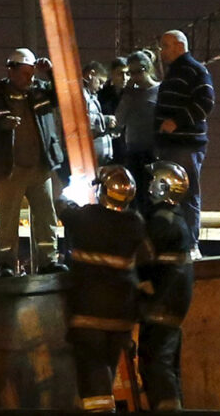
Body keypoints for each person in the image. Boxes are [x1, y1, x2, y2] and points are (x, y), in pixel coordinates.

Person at [58, 165, 153, 412]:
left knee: (92, 374)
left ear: (102, 190)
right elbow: (146, 257)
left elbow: (63, 209)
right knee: (106, 370)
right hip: (122, 316)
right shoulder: (135, 222)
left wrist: (68, 192)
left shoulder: (87, 216)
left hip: (88, 313)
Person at [0, 48, 66, 277]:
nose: (29, 78)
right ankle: (6, 264)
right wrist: (1, 125)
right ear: (11, 70)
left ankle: (48, 261)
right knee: (7, 219)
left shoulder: (40, 91)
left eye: (32, 73)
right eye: (24, 73)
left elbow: (64, 97)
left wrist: (51, 73)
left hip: (39, 168)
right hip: (9, 171)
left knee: (46, 216)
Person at [136, 160, 194, 412]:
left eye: (153, 180)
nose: (149, 185)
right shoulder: (177, 219)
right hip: (171, 301)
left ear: (163, 186)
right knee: (167, 364)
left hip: (161, 301)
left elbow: (141, 256)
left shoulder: (161, 221)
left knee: (155, 362)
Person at [153, 29, 215, 246]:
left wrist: (176, 122)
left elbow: (205, 102)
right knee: (168, 194)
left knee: (186, 193)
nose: (161, 52)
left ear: (180, 45)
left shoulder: (195, 71)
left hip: (186, 144)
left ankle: (189, 243)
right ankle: (173, 242)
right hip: (170, 145)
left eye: (165, 46)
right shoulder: (174, 72)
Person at [114, 51, 160, 211]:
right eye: (131, 73)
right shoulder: (130, 94)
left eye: (137, 71)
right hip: (133, 151)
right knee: (135, 196)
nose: (134, 76)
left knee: (153, 196)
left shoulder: (159, 91)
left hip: (154, 151)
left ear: (147, 69)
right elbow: (119, 121)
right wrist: (126, 95)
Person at [83, 61, 117, 165]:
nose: (101, 87)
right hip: (88, 161)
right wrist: (106, 120)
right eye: (100, 82)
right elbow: (83, 119)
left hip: (98, 161)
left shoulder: (91, 95)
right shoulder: (80, 94)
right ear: (91, 74)